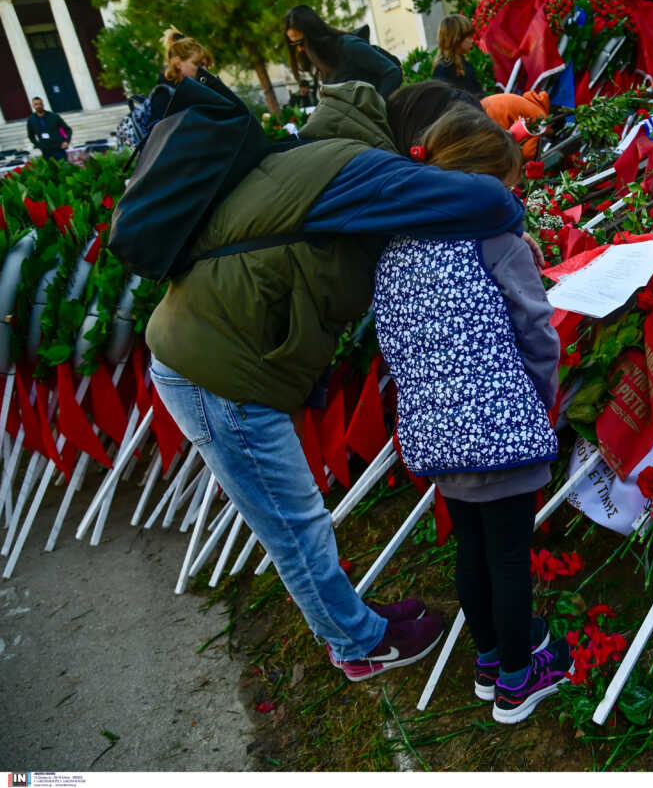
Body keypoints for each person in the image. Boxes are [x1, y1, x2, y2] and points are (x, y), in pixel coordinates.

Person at [146, 80, 526, 683]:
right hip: (214, 370)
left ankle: (355, 622)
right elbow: (490, 201)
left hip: (211, 351)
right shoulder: (357, 168)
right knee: (293, 523)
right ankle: (356, 645)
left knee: (297, 517)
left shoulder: (326, 156)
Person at [372, 106, 571, 725]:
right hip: (502, 425)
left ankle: (490, 658)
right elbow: (536, 328)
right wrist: (541, 397)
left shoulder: (395, 242)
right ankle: (518, 680)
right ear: (487, 183)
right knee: (511, 555)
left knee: (473, 548)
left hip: (436, 429)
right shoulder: (496, 239)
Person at [284, 5, 402, 100]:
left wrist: (374, 106)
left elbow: (392, 72)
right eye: (293, 45)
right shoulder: (323, 60)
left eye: (300, 43)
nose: (299, 49)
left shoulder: (349, 46)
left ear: (313, 35)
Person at [480, 90, 551, 160]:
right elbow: (527, 152)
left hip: (486, 108)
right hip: (495, 115)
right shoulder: (539, 117)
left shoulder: (532, 109)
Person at [432, 14, 483, 97]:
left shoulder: (466, 64)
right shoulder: (442, 69)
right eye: (469, 37)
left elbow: (478, 93)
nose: (472, 41)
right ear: (457, 38)